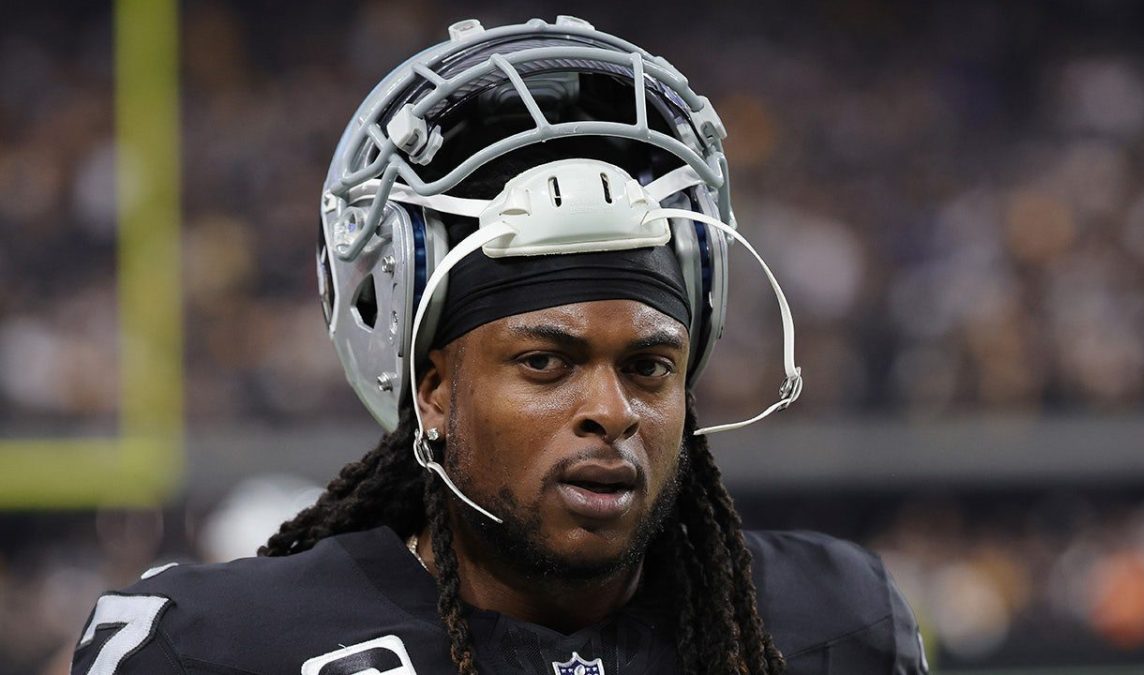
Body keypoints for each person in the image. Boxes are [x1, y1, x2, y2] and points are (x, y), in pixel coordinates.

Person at [72, 17, 927, 675]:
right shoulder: (217, 647)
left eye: (648, 367)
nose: (612, 412)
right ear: (434, 388)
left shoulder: (833, 622)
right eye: (545, 362)